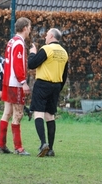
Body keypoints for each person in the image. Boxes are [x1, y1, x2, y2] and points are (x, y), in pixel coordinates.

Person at [28, 28, 68, 157]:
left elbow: (32, 64)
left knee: (38, 114)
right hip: (56, 85)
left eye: (46, 35)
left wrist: (33, 53)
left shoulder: (46, 49)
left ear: (51, 36)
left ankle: (43, 143)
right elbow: (65, 74)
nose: (45, 37)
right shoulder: (64, 53)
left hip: (43, 84)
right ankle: (50, 148)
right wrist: (58, 88)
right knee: (50, 116)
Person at [0, 17, 31, 156]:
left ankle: (1, 145)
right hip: (15, 83)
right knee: (18, 114)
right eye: (29, 27)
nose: (30, 30)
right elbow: (17, 65)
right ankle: (18, 147)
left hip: (7, 81)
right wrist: (23, 82)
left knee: (7, 113)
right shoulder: (19, 44)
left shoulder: (11, 41)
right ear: (24, 28)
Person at [0, 47, 32, 122]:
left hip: (4, 82)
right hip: (5, 81)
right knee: (11, 100)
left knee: (0, 99)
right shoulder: (1, 58)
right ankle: (28, 111)